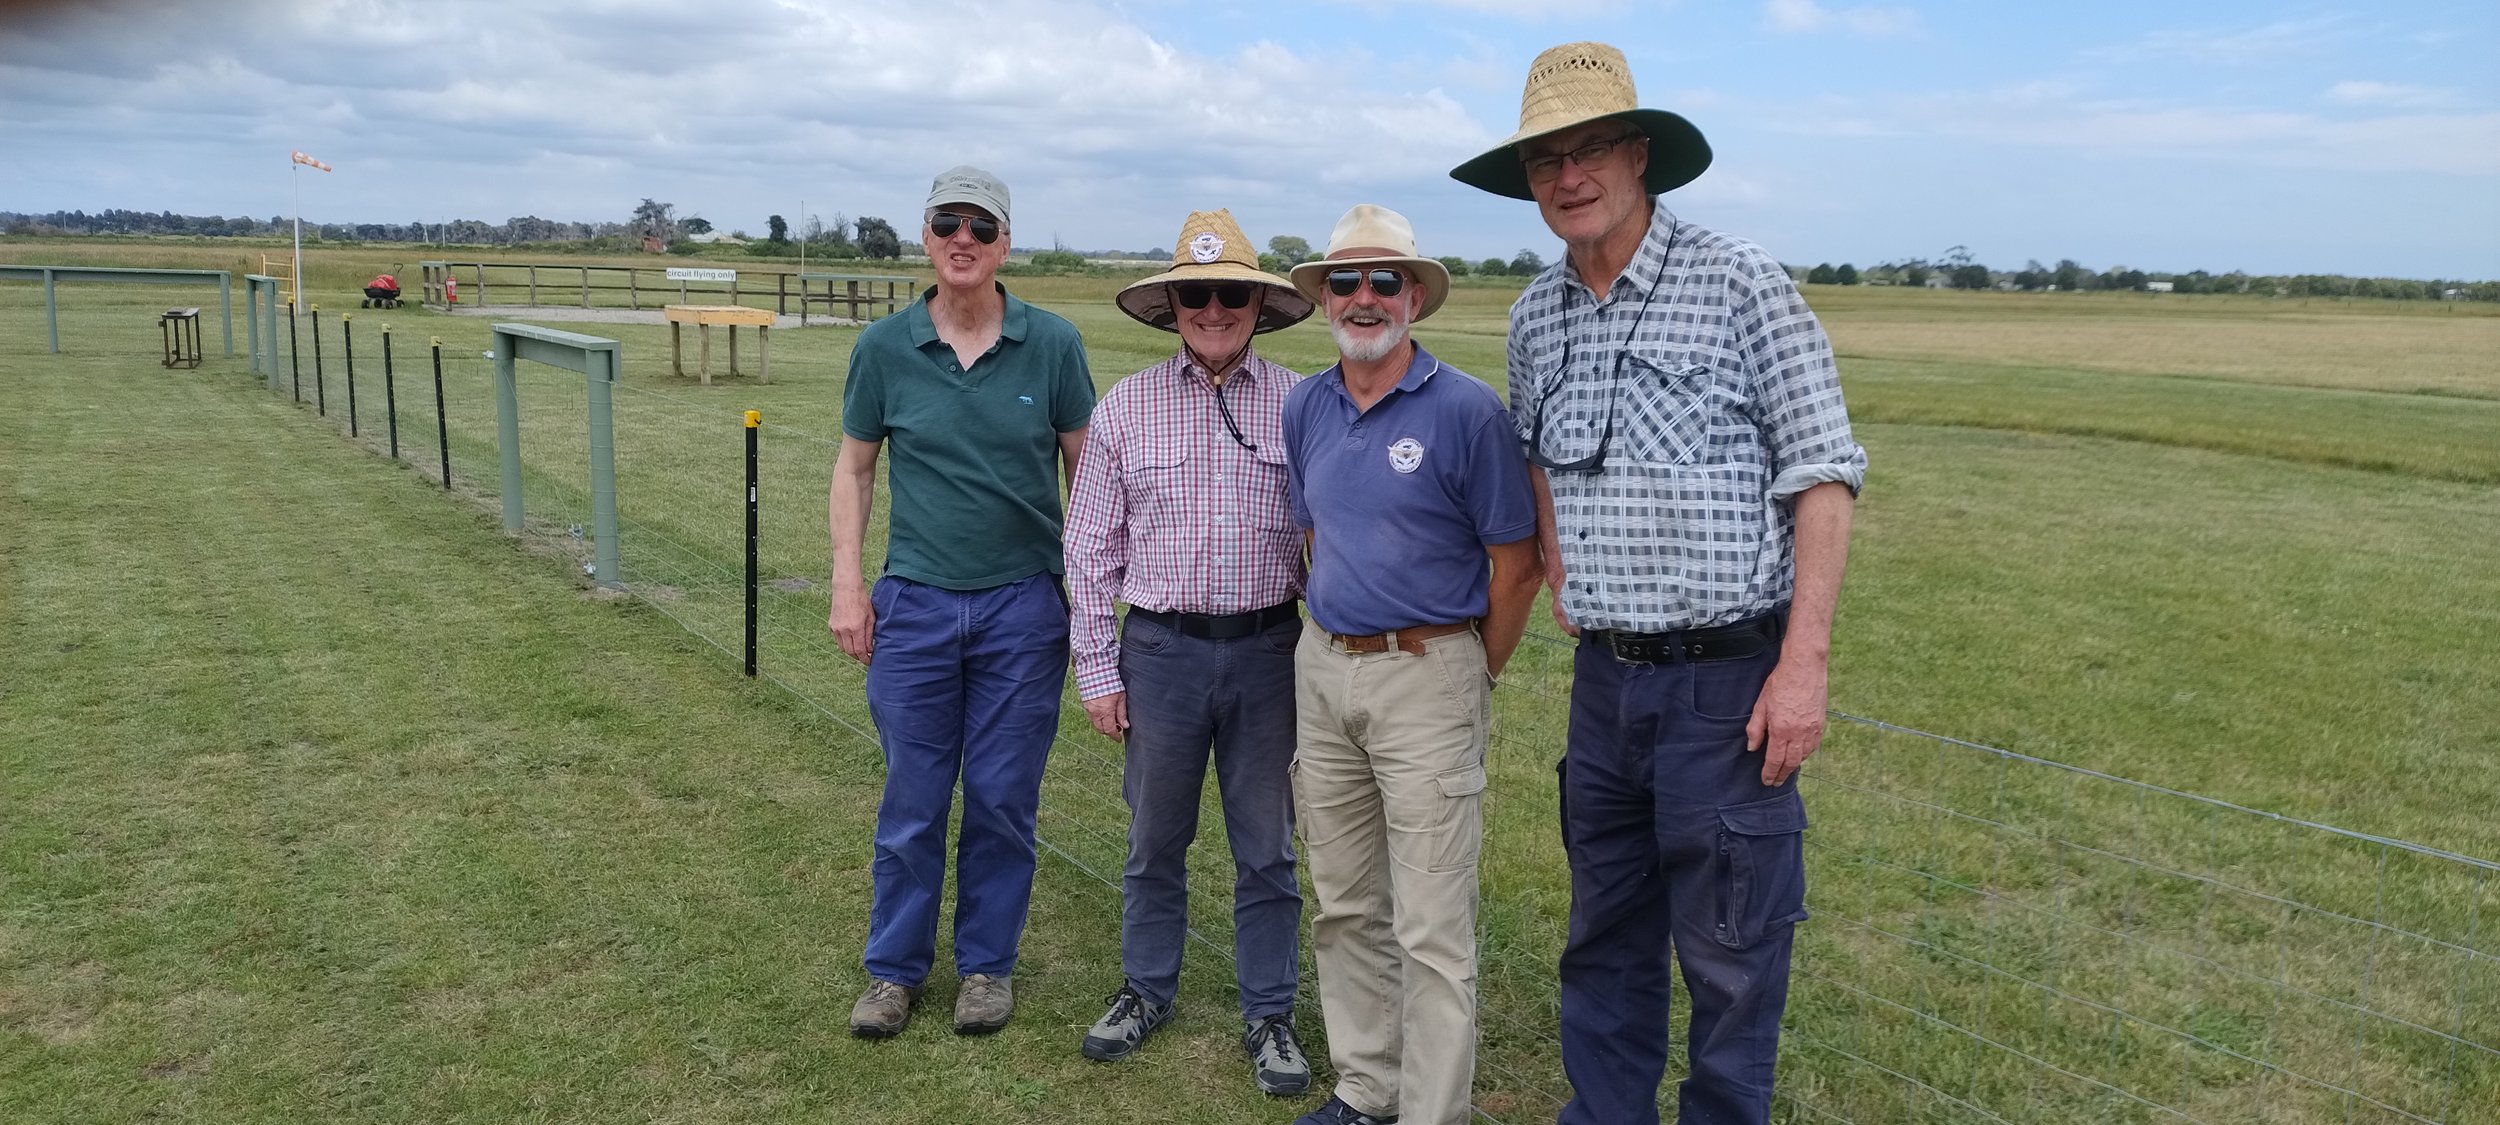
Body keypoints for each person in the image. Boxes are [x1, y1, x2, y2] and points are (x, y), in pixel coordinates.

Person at [1449, 42, 1868, 1125]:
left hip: (1727, 686)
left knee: (1731, 952)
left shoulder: (1739, 282)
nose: (1566, 175)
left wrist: (1802, 668)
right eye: (1545, 157)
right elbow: (1535, 457)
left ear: (1640, 156)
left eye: (1589, 149)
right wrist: (1563, 574)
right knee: (1604, 934)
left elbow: (1823, 473)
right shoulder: (1534, 314)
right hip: (1606, 682)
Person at [1279, 204, 1542, 1125]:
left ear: (1415, 297)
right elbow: (1317, 534)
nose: (1361, 297)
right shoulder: (1304, 405)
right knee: (1345, 902)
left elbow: (1518, 565)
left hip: (1429, 670)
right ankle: (1366, 1085)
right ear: (1322, 300)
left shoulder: (1466, 410)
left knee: (1431, 925)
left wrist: (1470, 670)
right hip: (1324, 668)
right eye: (1343, 281)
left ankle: (1433, 1113)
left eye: (1383, 280)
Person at [828, 165, 1097, 1039]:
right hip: (916, 606)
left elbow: (1085, 472)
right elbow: (855, 468)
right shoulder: (884, 348)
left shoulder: (1052, 345)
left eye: (982, 226)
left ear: (1005, 243)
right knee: (913, 796)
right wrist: (848, 583)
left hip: (1023, 610)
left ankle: (986, 965)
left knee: (1003, 797)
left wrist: (1087, 598)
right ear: (928, 235)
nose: (964, 239)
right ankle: (894, 972)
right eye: (948, 223)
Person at [1062, 208, 1317, 1094]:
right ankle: (1146, 988)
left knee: (1269, 846)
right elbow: (1089, 546)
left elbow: (1334, 540)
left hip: (1268, 650)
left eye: (1232, 293)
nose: (1214, 308)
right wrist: (1097, 668)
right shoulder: (1126, 407)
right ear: (1173, 304)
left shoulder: (1301, 404)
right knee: (1152, 839)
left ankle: (1271, 1011)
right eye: (1197, 293)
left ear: (1257, 304)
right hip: (1160, 652)